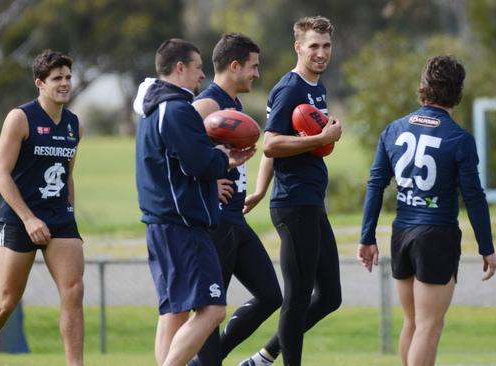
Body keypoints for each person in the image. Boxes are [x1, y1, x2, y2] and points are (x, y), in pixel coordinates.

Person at [357, 55, 496, 366]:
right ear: (457, 93)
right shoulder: (459, 139)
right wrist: (486, 246)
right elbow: (473, 197)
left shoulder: (393, 130)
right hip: (437, 236)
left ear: (423, 87)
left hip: (402, 232)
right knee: (429, 326)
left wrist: (366, 236)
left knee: (413, 323)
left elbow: (376, 184)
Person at [133, 38, 255, 366]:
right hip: (183, 226)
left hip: (164, 223)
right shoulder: (175, 109)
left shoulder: (153, 107)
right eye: (199, 68)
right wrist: (225, 158)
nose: (202, 76)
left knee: (174, 311)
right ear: (180, 67)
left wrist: (217, 159)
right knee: (213, 309)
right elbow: (197, 163)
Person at [0, 50, 84, 366]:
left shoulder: (74, 125)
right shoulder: (21, 118)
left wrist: (69, 212)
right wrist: (29, 218)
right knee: (6, 301)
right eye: (57, 78)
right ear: (40, 83)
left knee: (73, 293)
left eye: (68, 77)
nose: (65, 83)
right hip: (20, 219)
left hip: (60, 219)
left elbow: (68, 174)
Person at [240, 16, 343, 366]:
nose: (321, 53)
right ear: (298, 47)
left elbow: (281, 141)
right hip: (294, 203)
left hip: (310, 201)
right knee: (297, 296)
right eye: (313, 46)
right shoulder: (291, 88)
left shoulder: (318, 88)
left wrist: (257, 190)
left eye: (326, 45)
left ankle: (264, 355)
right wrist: (321, 138)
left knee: (329, 296)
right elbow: (270, 144)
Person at [190, 33, 283, 366]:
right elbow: (175, 153)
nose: (257, 73)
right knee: (211, 309)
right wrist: (208, 181)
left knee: (271, 295)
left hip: (235, 220)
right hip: (214, 221)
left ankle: (202, 362)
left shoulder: (234, 105)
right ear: (234, 66)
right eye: (253, 66)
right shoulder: (207, 104)